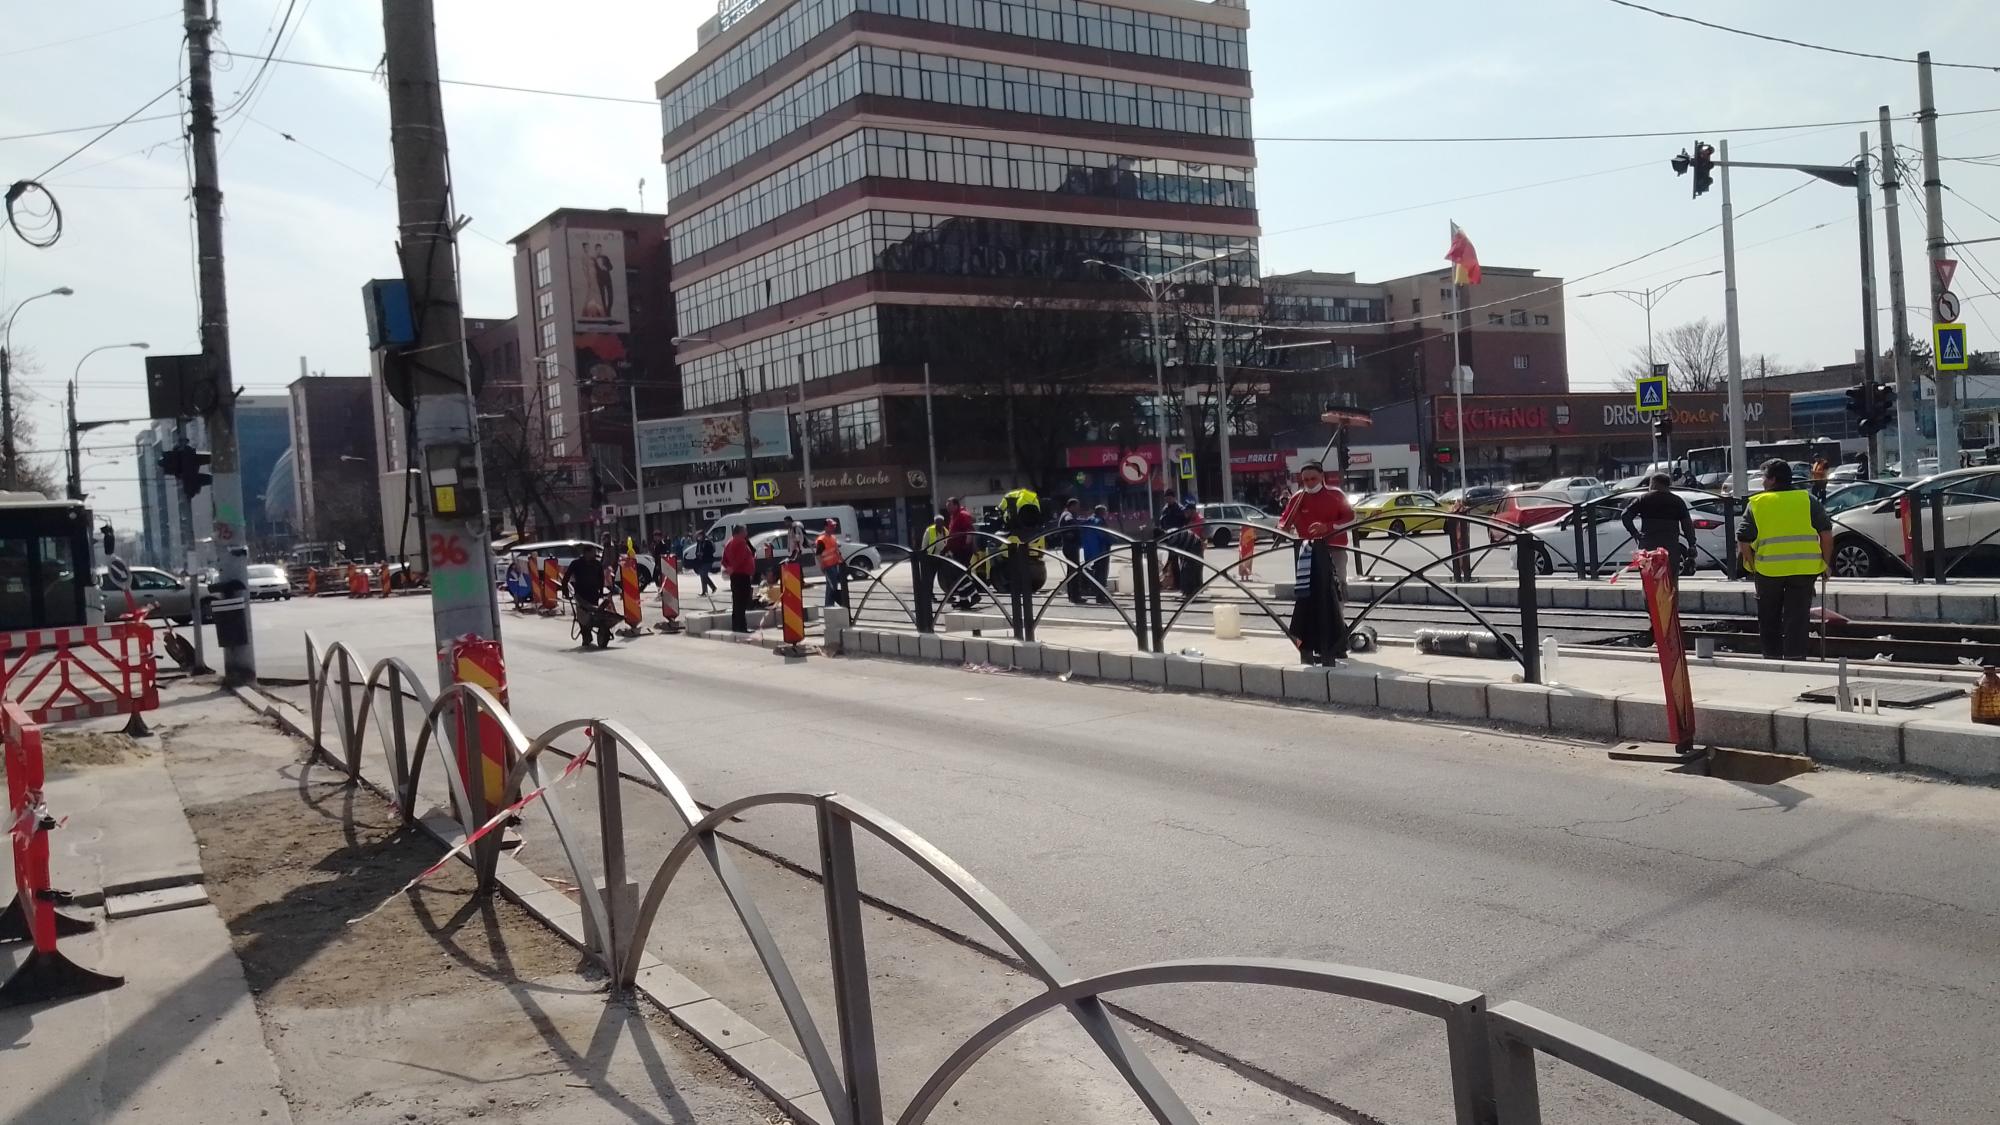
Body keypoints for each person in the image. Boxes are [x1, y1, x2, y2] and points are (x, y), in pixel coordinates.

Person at [1737, 459, 1832, 660]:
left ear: (1772, 480)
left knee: (1768, 617)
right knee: (1797, 618)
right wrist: (1826, 563)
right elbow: (1826, 534)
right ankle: (1795, 658)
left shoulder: (1757, 503)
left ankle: (1772, 658)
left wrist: (1753, 566)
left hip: (1768, 571)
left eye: (1764, 477)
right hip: (1804, 569)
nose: (1762, 482)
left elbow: (1743, 540)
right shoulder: (1807, 500)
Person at [1279, 462, 1355, 664]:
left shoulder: (1336, 495)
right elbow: (1284, 520)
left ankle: (1336, 638)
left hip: (1334, 549)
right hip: (1308, 553)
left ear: (1322, 476)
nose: (1309, 483)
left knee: (1336, 592)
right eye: (1305, 480)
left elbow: (1351, 518)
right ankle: (1313, 642)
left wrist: (1328, 527)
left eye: (1313, 478)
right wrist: (1282, 528)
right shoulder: (1297, 498)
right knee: (1308, 596)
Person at [1620, 473, 1698, 577]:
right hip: (1670, 547)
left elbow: (1625, 515)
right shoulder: (1677, 501)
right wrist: (1692, 544)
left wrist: (1635, 533)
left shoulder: (1643, 499)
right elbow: (1687, 525)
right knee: (1671, 579)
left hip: (1648, 546)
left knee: (1649, 579)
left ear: (1654, 484)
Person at [562, 542, 614, 649]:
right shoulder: (576, 564)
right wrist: (565, 592)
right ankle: (586, 636)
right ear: (586, 553)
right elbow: (566, 577)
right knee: (583, 616)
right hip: (580, 594)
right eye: (592, 553)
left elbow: (601, 578)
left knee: (593, 615)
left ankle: (588, 634)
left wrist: (601, 592)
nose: (594, 555)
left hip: (593, 594)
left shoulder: (597, 564)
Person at [945, 496, 978, 608]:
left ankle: (974, 595)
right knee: (956, 575)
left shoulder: (962, 515)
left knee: (960, 573)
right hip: (955, 550)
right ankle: (963, 600)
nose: (947, 508)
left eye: (949, 505)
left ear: (956, 505)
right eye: (947, 506)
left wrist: (967, 545)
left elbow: (970, 530)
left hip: (963, 550)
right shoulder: (954, 516)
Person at [722, 524, 756, 633]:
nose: (746, 532)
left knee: (737, 602)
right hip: (742, 575)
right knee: (742, 601)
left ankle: (736, 626)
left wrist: (729, 568)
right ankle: (742, 627)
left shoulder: (729, 542)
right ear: (740, 532)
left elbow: (724, 560)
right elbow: (740, 558)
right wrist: (733, 568)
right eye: (745, 530)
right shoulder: (741, 542)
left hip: (735, 576)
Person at [1058, 498, 1087, 603]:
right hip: (1070, 547)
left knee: (1072, 571)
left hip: (1070, 546)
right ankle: (1075, 596)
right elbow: (1069, 521)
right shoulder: (1067, 515)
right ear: (1071, 506)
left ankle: (1072, 595)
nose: (1078, 509)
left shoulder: (1067, 514)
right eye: (1076, 506)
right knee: (1075, 571)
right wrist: (1078, 525)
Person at [816, 518, 848, 608]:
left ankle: (831, 605)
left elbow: (836, 551)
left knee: (833, 586)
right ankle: (829, 606)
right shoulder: (822, 539)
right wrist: (822, 566)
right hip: (828, 567)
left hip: (835, 565)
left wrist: (842, 561)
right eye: (831, 526)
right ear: (826, 527)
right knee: (831, 587)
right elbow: (818, 554)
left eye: (834, 526)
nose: (833, 528)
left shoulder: (833, 538)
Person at [1084, 503, 1113, 603]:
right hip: (1102, 550)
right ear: (1102, 512)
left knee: (1096, 573)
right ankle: (1101, 596)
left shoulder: (1089, 520)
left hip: (1092, 551)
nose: (1106, 513)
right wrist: (1113, 540)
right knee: (1102, 574)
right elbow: (1104, 536)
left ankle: (1096, 593)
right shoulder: (1100, 521)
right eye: (1105, 511)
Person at [921, 513, 949, 606]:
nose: (939, 524)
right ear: (935, 522)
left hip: (942, 557)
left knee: (945, 577)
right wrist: (924, 555)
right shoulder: (929, 530)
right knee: (930, 578)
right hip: (931, 557)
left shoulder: (945, 531)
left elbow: (948, 543)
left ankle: (948, 594)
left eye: (941, 522)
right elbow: (924, 544)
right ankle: (929, 595)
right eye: (937, 522)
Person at [694, 531, 718, 596]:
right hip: (701, 561)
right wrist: (697, 554)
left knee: (703, 574)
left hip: (708, 561)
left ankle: (710, 588)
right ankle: (705, 591)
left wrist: (703, 553)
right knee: (703, 575)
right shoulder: (699, 543)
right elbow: (697, 551)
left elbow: (711, 551)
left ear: (702, 535)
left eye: (699, 535)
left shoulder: (707, 542)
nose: (698, 537)